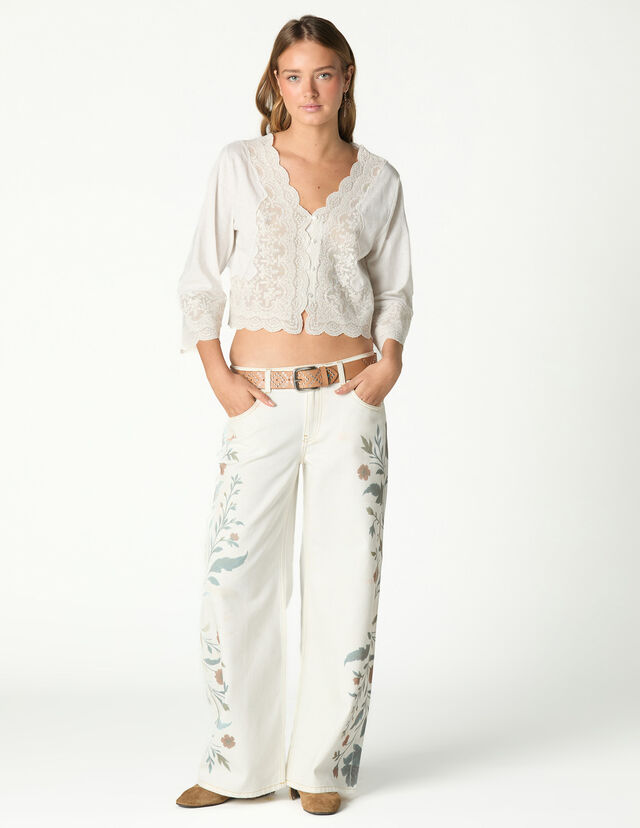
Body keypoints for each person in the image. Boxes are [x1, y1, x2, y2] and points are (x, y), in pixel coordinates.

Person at [175, 14, 413, 816]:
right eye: (293, 75)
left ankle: (322, 766)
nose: (308, 90)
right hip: (262, 398)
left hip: (350, 400)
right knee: (236, 580)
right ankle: (237, 763)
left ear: (346, 79)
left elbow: (395, 289)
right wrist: (219, 374)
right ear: (274, 83)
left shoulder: (378, 179)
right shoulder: (239, 167)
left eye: (323, 73)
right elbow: (200, 279)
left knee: (347, 579)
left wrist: (389, 361)